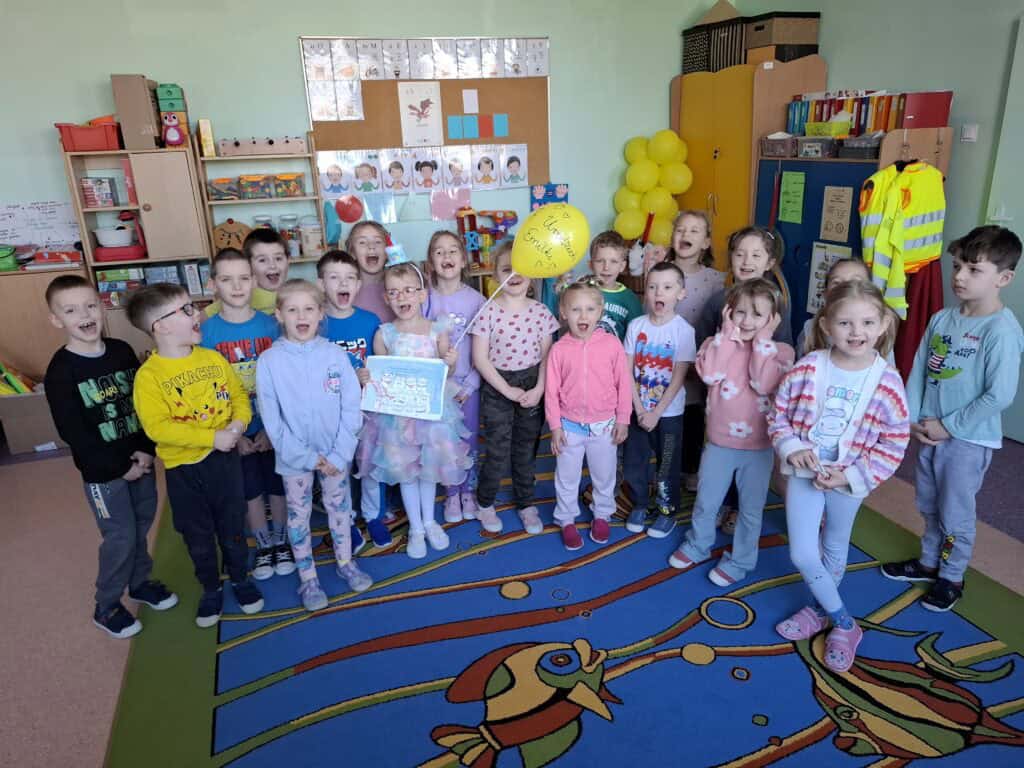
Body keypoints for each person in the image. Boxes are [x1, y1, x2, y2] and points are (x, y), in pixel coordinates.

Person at [882, 226, 1023, 611]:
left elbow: (999, 395)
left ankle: (952, 576)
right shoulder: (942, 319)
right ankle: (929, 562)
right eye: (958, 265)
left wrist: (949, 426)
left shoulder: (1001, 330)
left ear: (1003, 278)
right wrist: (912, 418)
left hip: (966, 441)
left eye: (974, 270)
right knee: (928, 502)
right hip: (930, 432)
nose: (959, 276)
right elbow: (919, 372)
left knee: (955, 513)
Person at [770, 280, 909, 672]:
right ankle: (845, 623)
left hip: (850, 481)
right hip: (805, 473)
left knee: (834, 546)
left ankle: (817, 610)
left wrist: (849, 475)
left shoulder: (887, 382)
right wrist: (792, 447)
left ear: (883, 324)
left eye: (867, 322)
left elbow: (894, 441)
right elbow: (778, 415)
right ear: (827, 325)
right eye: (845, 323)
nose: (856, 332)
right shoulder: (808, 368)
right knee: (802, 552)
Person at [43, 275, 177, 639]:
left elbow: (143, 405)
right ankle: (106, 605)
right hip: (104, 475)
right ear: (56, 319)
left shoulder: (121, 351)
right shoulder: (61, 371)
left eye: (90, 306)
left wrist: (146, 450)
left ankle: (140, 583)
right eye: (71, 311)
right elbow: (73, 432)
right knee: (120, 536)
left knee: (142, 524)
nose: (84, 315)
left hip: (141, 462)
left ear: (102, 307)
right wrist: (119, 468)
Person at [127, 284, 265, 628]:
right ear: (160, 326)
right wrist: (211, 437)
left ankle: (240, 578)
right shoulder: (149, 377)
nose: (198, 314)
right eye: (187, 310)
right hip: (185, 471)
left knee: (233, 525)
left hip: (225, 463)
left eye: (194, 306)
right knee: (198, 536)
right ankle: (210, 587)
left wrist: (238, 425)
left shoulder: (212, 358)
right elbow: (158, 428)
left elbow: (239, 396)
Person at [669, 279, 794, 585]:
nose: (747, 321)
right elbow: (711, 374)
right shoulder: (718, 343)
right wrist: (725, 336)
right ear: (728, 312)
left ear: (773, 319)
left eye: (757, 314)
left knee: (750, 510)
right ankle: (698, 544)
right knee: (706, 501)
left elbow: (763, 383)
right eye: (740, 312)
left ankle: (741, 561)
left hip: (759, 447)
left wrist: (763, 341)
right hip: (719, 443)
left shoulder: (781, 351)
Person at [256, 280, 372, 609]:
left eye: (309, 308)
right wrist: (304, 456)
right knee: (299, 516)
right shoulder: (269, 361)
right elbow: (272, 419)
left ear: (321, 313)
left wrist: (340, 453)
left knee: (340, 509)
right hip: (294, 458)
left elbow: (352, 406)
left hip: (336, 454)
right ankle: (308, 578)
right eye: (292, 310)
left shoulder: (335, 355)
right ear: (279, 315)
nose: (301, 316)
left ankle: (346, 562)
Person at [356, 260, 473, 559]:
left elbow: (447, 370)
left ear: (422, 295)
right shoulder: (385, 334)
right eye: (394, 292)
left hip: (431, 416)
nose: (402, 297)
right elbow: (380, 377)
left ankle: (430, 522)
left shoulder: (437, 330)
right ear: (386, 298)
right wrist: (368, 377)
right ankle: (416, 528)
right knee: (406, 473)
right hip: (397, 420)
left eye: (409, 290)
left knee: (428, 471)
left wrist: (451, 362)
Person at [199, 248, 291, 581]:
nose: (237, 287)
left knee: (277, 486)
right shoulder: (206, 333)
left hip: (273, 425)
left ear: (253, 281)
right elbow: (205, 391)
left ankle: (282, 541)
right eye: (227, 279)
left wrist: (273, 428)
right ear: (213, 284)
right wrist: (232, 433)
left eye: (243, 278)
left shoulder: (272, 325)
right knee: (250, 490)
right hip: (234, 429)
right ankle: (264, 545)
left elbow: (286, 379)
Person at [697, 226, 794, 533]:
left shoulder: (777, 305)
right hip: (723, 400)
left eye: (755, 255)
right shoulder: (718, 301)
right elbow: (704, 345)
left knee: (751, 466)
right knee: (720, 459)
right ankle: (721, 503)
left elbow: (781, 353)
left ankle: (738, 507)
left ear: (770, 262)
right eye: (739, 254)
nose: (746, 261)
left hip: (757, 405)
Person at [472, 241, 559, 534]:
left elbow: (548, 357)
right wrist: (506, 390)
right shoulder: (487, 311)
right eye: (506, 269)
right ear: (495, 275)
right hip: (498, 386)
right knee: (497, 449)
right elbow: (480, 359)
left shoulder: (541, 312)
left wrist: (540, 388)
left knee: (526, 448)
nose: (514, 274)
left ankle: (526, 503)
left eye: (521, 268)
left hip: (532, 384)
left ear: (532, 274)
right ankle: (485, 502)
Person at [546, 279, 632, 550]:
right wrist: (555, 427)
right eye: (575, 310)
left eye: (590, 309)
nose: (583, 316)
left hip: (604, 425)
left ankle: (602, 514)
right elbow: (551, 392)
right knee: (566, 477)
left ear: (600, 312)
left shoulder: (612, 345)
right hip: (569, 426)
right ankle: (566, 518)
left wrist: (623, 419)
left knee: (604, 475)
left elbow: (624, 384)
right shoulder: (559, 349)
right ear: (563, 313)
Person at [317, 249, 391, 548]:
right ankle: (345, 520)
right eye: (334, 278)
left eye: (349, 278)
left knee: (372, 465)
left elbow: (380, 365)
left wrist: (370, 376)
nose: (343, 283)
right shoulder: (316, 323)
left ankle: (374, 516)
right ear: (321, 284)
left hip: (367, 411)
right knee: (339, 470)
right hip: (331, 415)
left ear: (358, 284)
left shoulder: (370, 321)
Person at [648, 211, 725, 493]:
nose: (685, 235)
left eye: (694, 231)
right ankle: (663, 469)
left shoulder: (715, 279)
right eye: (680, 229)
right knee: (661, 415)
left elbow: (718, 322)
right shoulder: (658, 271)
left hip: (696, 362)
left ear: (705, 242)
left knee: (692, 417)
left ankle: (690, 469)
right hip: (660, 359)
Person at [623, 262, 696, 537]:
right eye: (652, 287)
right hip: (638, 411)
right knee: (635, 462)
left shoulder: (683, 330)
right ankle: (640, 504)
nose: (658, 293)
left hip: (669, 415)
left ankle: (667, 511)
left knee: (667, 465)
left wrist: (656, 412)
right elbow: (627, 370)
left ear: (681, 293)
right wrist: (640, 409)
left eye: (667, 287)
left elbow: (678, 377)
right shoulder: (636, 326)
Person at [423, 230, 486, 523]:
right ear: (431, 262)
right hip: (438, 387)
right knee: (444, 442)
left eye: (452, 251)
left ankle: (468, 490)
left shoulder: (477, 301)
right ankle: (451, 492)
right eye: (439, 251)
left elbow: (486, 349)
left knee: (469, 439)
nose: (446, 256)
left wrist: (471, 384)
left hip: (467, 387)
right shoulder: (425, 300)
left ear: (463, 260)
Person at [796, 257, 895, 366]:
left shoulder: (880, 333)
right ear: (825, 294)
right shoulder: (809, 328)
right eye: (837, 283)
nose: (847, 289)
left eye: (856, 282)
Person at [205, 228, 289, 318]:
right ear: (247, 265)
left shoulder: (292, 291)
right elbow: (205, 315)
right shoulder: (241, 294)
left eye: (278, 258)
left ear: (288, 260)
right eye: (262, 260)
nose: (272, 265)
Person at [589, 230, 644, 341]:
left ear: (622, 266)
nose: (606, 267)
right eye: (600, 261)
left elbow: (636, 337)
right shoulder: (583, 291)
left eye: (613, 261)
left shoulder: (630, 299)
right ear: (591, 264)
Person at [348, 221, 396, 322]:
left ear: (387, 251)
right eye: (362, 242)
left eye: (378, 241)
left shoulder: (399, 287)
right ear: (353, 252)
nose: (371, 246)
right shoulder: (346, 290)